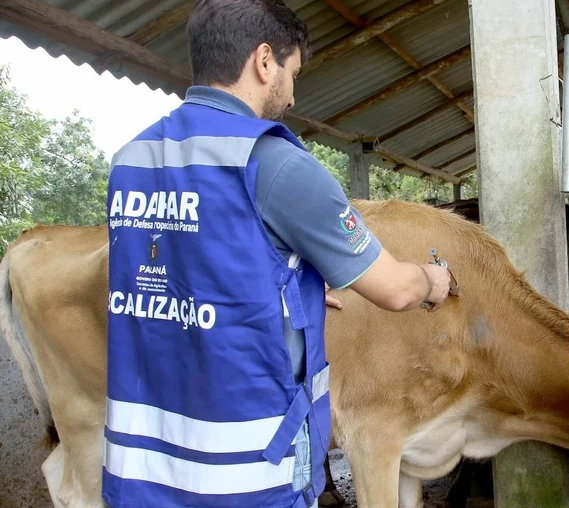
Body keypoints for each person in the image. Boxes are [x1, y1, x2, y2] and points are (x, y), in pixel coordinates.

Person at [102, 1, 452, 507]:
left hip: (143, 472)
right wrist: (432, 279)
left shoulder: (132, 159)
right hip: (245, 476)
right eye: (292, 73)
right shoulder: (275, 163)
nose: (292, 93)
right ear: (264, 61)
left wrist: (293, 284)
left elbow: (183, 269)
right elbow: (395, 290)